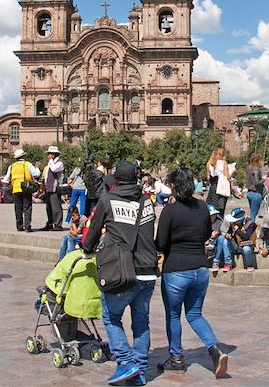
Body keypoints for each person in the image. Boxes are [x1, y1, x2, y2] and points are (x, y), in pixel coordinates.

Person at [83, 162, 157, 386]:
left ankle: (126, 362)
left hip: (123, 272)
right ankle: (141, 373)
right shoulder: (147, 201)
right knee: (141, 322)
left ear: (116, 181)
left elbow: (94, 231)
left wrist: (87, 248)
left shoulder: (108, 200)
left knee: (111, 316)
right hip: (148, 272)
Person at [155, 167, 228, 379]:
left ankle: (176, 358)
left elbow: (160, 243)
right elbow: (206, 234)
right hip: (200, 270)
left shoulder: (171, 210)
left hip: (177, 270)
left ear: (175, 187)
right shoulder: (203, 207)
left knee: (173, 315)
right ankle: (215, 349)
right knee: (195, 314)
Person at [3, 149, 40, 232]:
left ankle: (19, 226)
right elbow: (36, 174)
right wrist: (37, 168)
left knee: (18, 208)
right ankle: (27, 226)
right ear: (23, 156)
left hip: (16, 189)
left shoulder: (12, 166)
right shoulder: (27, 164)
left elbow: (6, 179)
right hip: (26, 188)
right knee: (27, 207)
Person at [41, 146, 65, 231]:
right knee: (49, 207)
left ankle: (58, 224)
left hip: (55, 188)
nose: (48, 156)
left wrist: (51, 161)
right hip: (48, 188)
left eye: (49, 154)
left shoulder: (59, 163)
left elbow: (54, 169)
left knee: (56, 207)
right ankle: (50, 223)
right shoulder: (50, 163)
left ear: (53, 155)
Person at [225, 207, 257, 272]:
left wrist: (237, 230)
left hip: (247, 245)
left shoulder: (251, 224)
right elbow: (229, 233)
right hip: (237, 246)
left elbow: (246, 237)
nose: (233, 222)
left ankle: (249, 265)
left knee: (246, 249)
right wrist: (227, 235)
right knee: (225, 241)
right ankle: (228, 263)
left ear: (240, 220)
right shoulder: (233, 224)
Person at [205, 146, 231, 217]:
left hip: (212, 189)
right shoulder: (223, 163)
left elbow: (208, 178)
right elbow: (227, 177)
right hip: (221, 190)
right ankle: (217, 227)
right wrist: (232, 172)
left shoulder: (209, 164)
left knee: (211, 211)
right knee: (220, 212)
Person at [245, 153, 266, 222]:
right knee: (253, 216)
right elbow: (257, 183)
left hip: (249, 193)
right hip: (256, 195)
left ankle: (250, 230)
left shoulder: (248, 168)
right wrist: (264, 179)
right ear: (258, 160)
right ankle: (250, 231)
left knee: (252, 213)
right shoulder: (256, 170)